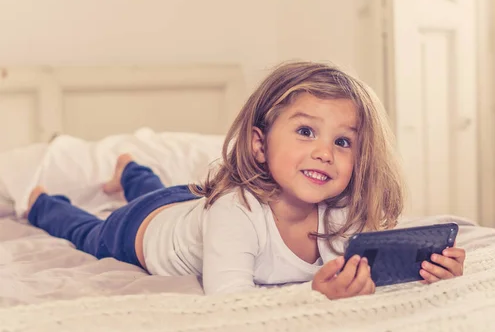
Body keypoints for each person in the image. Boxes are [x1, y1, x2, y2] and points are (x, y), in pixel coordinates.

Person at [25, 61, 466, 299]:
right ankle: (44, 199)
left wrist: (425, 268)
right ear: (259, 145)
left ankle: (129, 170)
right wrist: (312, 297)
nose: (324, 152)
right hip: (142, 230)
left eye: (344, 142)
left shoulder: (344, 213)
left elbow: (373, 270)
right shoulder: (235, 211)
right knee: (87, 229)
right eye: (306, 131)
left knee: (161, 188)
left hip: (190, 204)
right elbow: (230, 300)